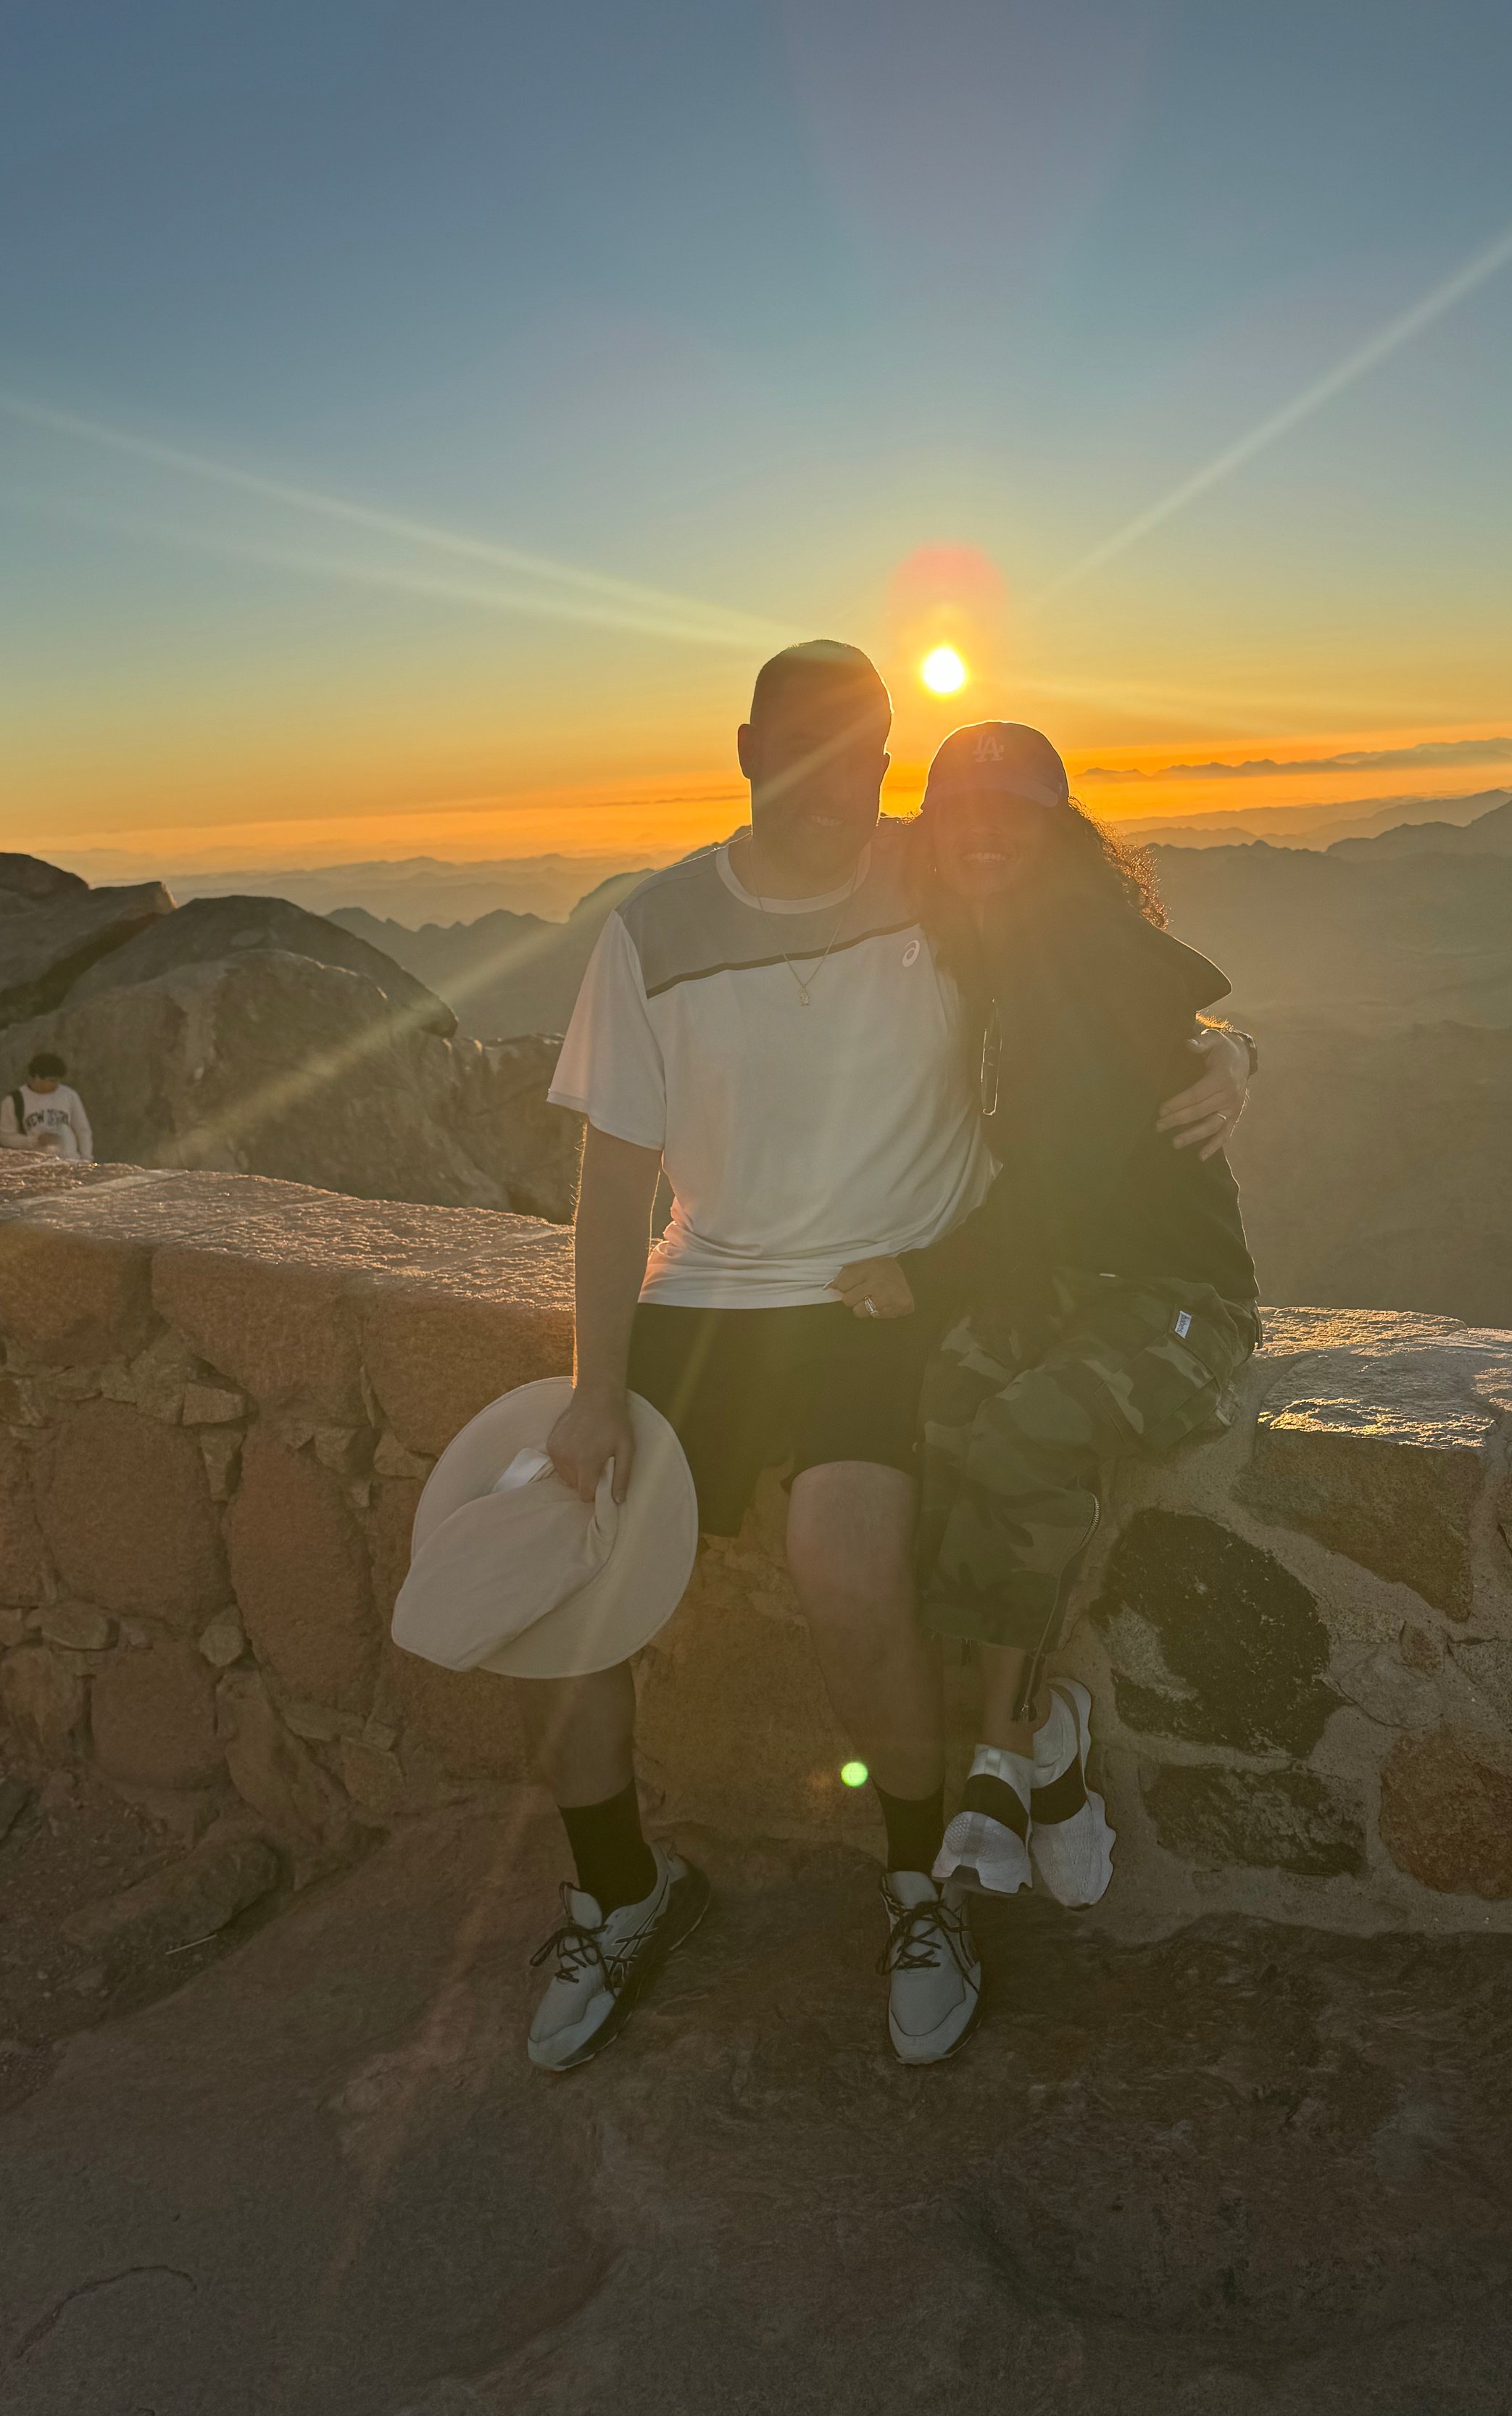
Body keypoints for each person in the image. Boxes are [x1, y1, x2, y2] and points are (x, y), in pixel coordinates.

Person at [520, 644, 1250, 2072]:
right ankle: (617, 1891)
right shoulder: (651, 930)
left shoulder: (936, 870)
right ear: (742, 748)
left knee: (846, 1570)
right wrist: (593, 1389)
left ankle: (920, 1886)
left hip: (882, 1293)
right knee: (574, 1581)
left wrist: (1230, 1049)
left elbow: (1104, 959)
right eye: (800, 751)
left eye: (859, 756)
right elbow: (609, 1188)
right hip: (705, 1293)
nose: (831, 783)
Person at [831, 720, 1260, 1922]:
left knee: (1025, 1431)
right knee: (948, 1409)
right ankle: (1047, 1747)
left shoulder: (1091, 945)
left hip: (1181, 1300)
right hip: (1062, 1286)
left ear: (1056, 834)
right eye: (959, 816)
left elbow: (1077, 1158)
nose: (981, 838)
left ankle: (1001, 1762)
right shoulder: (983, 951)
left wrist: (926, 1273)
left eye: (1009, 817)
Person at [0, 1054, 94, 1161]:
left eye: (58, 1080)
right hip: (36, 1164)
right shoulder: (14, 1101)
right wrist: (35, 1141)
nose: (56, 1085)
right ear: (37, 1077)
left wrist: (87, 1158)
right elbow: (5, 1137)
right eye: (51, 1081)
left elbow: (83, 1130)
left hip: (70, 1161)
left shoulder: (69, 1095)